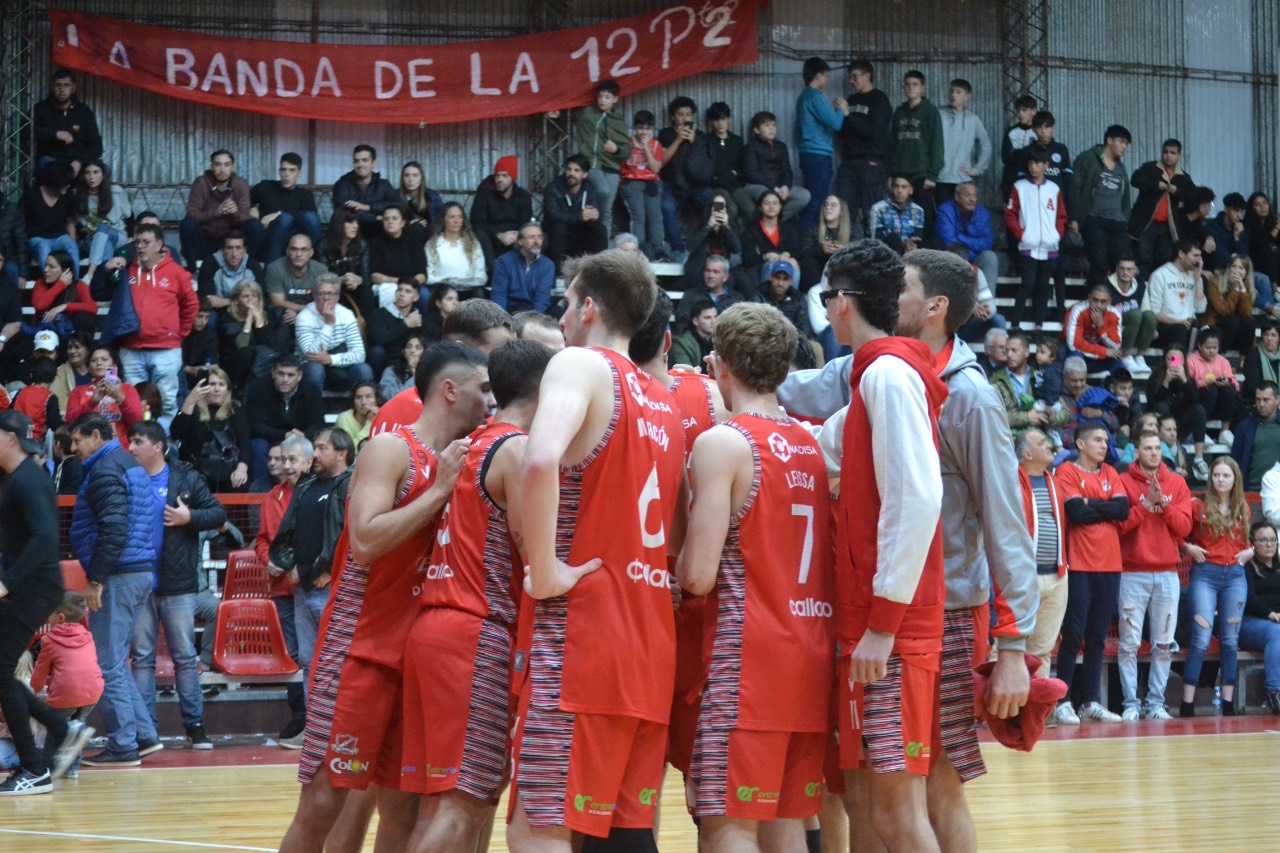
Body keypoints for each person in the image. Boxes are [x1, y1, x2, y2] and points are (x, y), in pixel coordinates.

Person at [508, 250, 684, 850]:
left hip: (582, 638)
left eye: (564, 303)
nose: (559, 319)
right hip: (650, 640)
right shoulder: (664, 398)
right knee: (624, 836)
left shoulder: (580, 364)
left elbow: (538, 457)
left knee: (539, 833)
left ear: (588, 307)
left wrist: (546, 567)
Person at [277, 345, 484, 853]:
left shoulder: (466, 458)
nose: (492, 398)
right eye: (483, 387)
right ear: (450, 390)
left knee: (403, 806)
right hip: (361, 647)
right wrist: (437, 493)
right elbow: (365, 541)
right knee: (325, 799)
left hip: (416, 655)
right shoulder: (391, 448)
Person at [801, 241, 948, 851]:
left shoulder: (887, 374)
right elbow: (817, 447)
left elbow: (917, 499)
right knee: (867, 804)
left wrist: (884, 626)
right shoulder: (875, 375)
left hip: (892, 629)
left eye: (825, 296)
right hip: (876, 623)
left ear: (842, 304)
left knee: (897, 814)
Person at [676, 303, 832, 850]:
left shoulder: (724, 442)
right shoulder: (812, 444)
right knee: (786, 820)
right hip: (810, 652)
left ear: (718, 365)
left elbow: (697, 575)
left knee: (729, 821)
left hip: (749, 658)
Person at [400, 341, 552, 851]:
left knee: (439, 802)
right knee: (465, 802)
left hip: (434, 630)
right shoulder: (515, 450)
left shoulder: (472, 444)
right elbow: (536, 555)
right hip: (473, 632)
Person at [126, 421, 225, 751]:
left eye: (137, 441)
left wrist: (190, 518)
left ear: (157, 446)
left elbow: (217, 514)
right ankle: (146, 732)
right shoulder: (127, 477)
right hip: (139, 581)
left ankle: (195, 727)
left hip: (178, 583)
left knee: (184, 656)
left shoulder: (185, 477)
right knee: (141, 658)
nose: (131, 447)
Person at [69, 414, 160, 767]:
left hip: (118, 575)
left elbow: (113, 529)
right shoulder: (126, 463)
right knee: (117, 661)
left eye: (78, 441)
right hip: (136, 572)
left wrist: (96, 579)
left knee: (107, 662)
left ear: (96, 435)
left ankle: (123, 746)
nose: (73, 449)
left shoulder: (106, 470)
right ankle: (145, 736)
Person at [0, 411, 76, 795]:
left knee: (0, 673)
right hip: (26, 587)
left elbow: (45, 538)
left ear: (10, 438)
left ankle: (34, 769)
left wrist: (6, 581)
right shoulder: (15, 478)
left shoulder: (28, 480)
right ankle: (59, 727)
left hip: (33, 587)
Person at [268, 428, 356, 752]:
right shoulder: (306, 487)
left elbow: (348, 534)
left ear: (341, 453)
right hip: (304, 587)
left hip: (331, 588)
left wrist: (328, 570)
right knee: (309, 661)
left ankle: (342, 731)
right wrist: (290, 563)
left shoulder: (349, 486)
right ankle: (316, 729)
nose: (315, 454)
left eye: (321, 448)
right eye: (315, 447)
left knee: (337, 662)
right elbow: (287, 533)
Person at [1052, 423, 1129, 725]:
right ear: (1081, 444)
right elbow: (1077, 514)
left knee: (1097, 637)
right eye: (1097, 440)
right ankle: (1063, 701)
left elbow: (1122, 511)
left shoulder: (1110, 472)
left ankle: (1091, 703)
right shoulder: (1067, 473)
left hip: (1111, 565)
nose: (1103, 444)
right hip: (1079, 565)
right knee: (1073, 636)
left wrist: (1090, 503)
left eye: (1105, 440)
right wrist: (1103, 506)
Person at [1116, 429, 1192, 720]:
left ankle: (1156, 703)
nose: (1154, 453)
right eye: (1147, 448)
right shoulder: (1122, 482)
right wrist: (1145, 506)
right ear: (1135, 452)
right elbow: (1119, 528)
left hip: (1167, 574)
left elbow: (1184, 529)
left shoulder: (1177, 482)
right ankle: (1131, 704)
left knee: (1163, 644)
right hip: (1131, 572)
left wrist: (1166, 504)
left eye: (1157, 448)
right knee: (1129, 644)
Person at [95, 223, 197, 418]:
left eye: (146, 242)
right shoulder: (125, 270)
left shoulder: (176, 272)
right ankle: (137, 443)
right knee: (132, 401)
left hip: (167, 349)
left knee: (167, 401)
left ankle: (167, 445)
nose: (140, 246)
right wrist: (105, 268)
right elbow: (98, 293)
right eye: (138, 242)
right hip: (132, 349)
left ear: (159, 245)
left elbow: (191, 306)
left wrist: (178, 334)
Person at [1181, 456, 1252, 717]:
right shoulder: (1196, 505)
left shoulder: (1242, 507)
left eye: (1226, 475)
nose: (1220, 479)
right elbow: (1179, 534)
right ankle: (1187, 704)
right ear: (1210, 478)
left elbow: (1248, 543)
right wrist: (1187, 546)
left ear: (1235, 480)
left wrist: (1250, 551)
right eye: (1216, 475)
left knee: (1231, 641)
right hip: (1205, 574)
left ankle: (1228, 703)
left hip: (1235, 575)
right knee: (1200, 639)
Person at [257, 433, 312, 741]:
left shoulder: (314, 492)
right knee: (291, 653)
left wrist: (299, 567)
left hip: (308, 585)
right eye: (283, 460)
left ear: (307, 461)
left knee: (310, 655)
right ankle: (299, 716)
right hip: (280, 588)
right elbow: (263, 539)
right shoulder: (272, 497)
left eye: (293, 460)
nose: (287, 466)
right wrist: (268, 560)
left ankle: (313, 719)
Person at [30, 590, 102, 780]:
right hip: (92, 692)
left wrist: (33, 689)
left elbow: (40, 672)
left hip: (66, 693)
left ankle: (45, 771)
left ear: (60, 617)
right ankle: (72, 769)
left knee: (55, 730)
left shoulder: (50, 640)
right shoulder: (88, 636)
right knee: (78, 723)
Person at [1017, 428, 1067, 677]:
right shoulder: (1011, 481)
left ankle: (1038, 714)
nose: (1049, 444)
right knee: (1008, 648)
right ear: (1026, 453)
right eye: (1042, 442)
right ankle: (998, 714)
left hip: (1057, 576)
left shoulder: (1053, 480)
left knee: (1043, 650)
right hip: (1024, 577)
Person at [1006, 149, 1067, 328]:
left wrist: (1056, 234)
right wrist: (1022, 234)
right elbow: (1010, 215)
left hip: (1050, 247)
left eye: (1038, 163)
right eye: (1031, 163)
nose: (1033, 167)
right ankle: (1015, 323)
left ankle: (1039, 326)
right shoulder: (1019, 186)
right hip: (1028, 246)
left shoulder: (1054, 189)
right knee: (1028, 283)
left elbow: (1061, 216)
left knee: (1043, 286)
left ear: (1046, 165)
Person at [169, 367, 252, 492]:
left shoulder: (235, 410)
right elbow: (176, 433)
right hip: (197, 468)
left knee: (240, 482)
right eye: (212, 384)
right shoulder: (193, 408)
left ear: (227, 389)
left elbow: (244, 442)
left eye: (221, 384)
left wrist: (242, 468)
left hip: (227, 466)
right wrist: (189, 401)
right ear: (203, 388)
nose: (217, 389)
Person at [245, 354, 325, 481]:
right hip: (270, 439)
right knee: (257, 446)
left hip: (301, 438)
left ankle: (310, 486)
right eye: (281, 374)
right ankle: (259, 492)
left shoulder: (311, 390)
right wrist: (285, 435)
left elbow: (318, 424)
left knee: (316, 445)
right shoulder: (258, 388)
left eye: (290, 375)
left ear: (299, 376)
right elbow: (255, 426)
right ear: (273, 373)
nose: (285, 379)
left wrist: (302, 436)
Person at [1071, 125, 1132, 285]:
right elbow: (1075, 189)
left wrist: (1125, 219)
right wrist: (1075, 218)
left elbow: (1125, 196)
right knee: (1098, 262)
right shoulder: (1087, 158)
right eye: (1122, 142)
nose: (1124, 147)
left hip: (1117, 222)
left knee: (1118, 263)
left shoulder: (1121, 167)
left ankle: (1112, 304)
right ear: (1109, 140)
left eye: (1126, 143)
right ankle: (1093, 301)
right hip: (1094, 218)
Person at [887, 70, 944, 238]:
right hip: (901, 173)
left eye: (915, 84)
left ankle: (924, 253)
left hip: (921, 173)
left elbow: (937, 144)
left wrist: (932, 174)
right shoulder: (899, 112)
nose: (911, 88)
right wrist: (891, 173)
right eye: (907, 84)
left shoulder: (930, 111)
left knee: (923, 216)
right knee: (899, 215)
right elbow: (893, 144)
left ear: (922, 88)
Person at [836, 59, 893, 226]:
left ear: (868, 76)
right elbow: (842, 132)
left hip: (871, 162)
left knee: (872, 210)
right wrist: (837, 115)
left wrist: (849, 115)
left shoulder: (879, 100)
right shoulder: (851, 100)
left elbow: (874, 132)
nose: (852, 81)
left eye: (855, 77)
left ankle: (875, 249)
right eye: (850, 77)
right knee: (845, 209)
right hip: (849, 161)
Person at [180, 150, 260, 267]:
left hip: (230, 241)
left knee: (254, 226)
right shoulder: (201, 182)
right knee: (187, 224)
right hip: (205, 239)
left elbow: (245, 216)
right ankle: (193, 270)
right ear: (212, 166)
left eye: (227, 165)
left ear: (232, 167)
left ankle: (247, 267)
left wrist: (235, 213)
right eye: (218, 164)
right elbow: (191, 213)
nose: (222, 170)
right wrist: (216, 212)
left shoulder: (240, 184)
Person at [1129, 139, 1196, 279]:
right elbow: (1135, 179)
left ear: (1179, 156)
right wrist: (1155, 184)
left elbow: (1193, 195)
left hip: (1168, 227)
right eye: (1165, 152)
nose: (1168, 155)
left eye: (1172, 153)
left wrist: (1177, 191)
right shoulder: (1150, 168)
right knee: (1143, 259)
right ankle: (1141, 293)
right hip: (1147, 224)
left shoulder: (1184, 177)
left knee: (1163, 261)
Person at [295, 273, 372, 392]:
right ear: (315, 296)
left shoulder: (346, 315)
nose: (326, 298)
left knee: (364, 370)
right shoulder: (304, 317)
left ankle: (361, 409)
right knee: (316, 369)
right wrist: (328, 324)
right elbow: (311, 354)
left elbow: (359, 354)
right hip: (310, 367)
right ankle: (314, 408)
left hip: (339, 365)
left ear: (337, 297)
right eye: (321, 294)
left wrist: (330, 359)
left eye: (330, 294)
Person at [576, 79, 629, 236]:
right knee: (603, 191)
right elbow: (569, 112)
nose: (602, 100)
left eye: (607, 97)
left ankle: (602, 250)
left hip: (612, 169)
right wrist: (556, 113)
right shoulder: (588, 113)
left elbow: (627, 150)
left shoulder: (618, 120)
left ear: (615, 99)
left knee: (607, 214)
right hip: (592, 164)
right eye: (600, 97)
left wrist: (616, 149)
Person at [250, 152, 322, 264]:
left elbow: (312, 218)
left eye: (292, 170)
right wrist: (252, 208)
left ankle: (313, 264)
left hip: (296, 240)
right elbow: (243, 200)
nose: (286, 174)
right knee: (284, 219)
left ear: (299, 173)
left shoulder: (305, 195)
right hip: (270, 237)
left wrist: (278, 214)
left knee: (297, 218)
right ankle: (272, 269)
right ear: (279, 171)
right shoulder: (265, 187)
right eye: (283, 170)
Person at [992, 331, 1067, 436]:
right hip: (1010, 442)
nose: (1009, 354)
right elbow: (992, 418)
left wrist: (1044, 416)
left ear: (1027, 352)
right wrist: (1026, 417)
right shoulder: (996, 381)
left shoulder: (1041, 375)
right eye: (1007, 350)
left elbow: (1065, 413)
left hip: (1041, 440)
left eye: (1014, 350)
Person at [65, 346, 143, 446]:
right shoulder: (78, 391)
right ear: (89, 368)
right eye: (94, 360)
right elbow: (70, 422)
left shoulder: (127, 389)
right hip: (88, 451)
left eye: (104, 359)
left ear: (114, 365)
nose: (99, 363)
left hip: (122, 449)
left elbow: (137, 421)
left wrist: (119, 397)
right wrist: (92, 403)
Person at [1240, 521, 1280, 715]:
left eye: (1273, 540)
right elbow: (1249, 598)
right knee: (1277, 632)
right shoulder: (1246, 566)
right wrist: (1270, 614)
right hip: (1250, 622)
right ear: (1252, 542)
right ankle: (1275, 691)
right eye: (1263, 540)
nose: (1269, 544)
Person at [542, 154, 608, 271]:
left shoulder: (590, 188)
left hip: (580, 234)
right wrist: (579, 216)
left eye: (577, 170)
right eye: (569, 169)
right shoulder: (553, 188)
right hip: (559, 235)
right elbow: (552, 215)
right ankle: (557, 273)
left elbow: (594, 209)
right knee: (558, 227)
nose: (571, 173)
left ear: (584, 174)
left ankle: (601, 271)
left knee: (600, 229)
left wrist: (596, 214)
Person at [742, 110, 810, 222]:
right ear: (756, 130)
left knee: (804, 195)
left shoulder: (781, 146)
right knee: (769, 195)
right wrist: (773, 188)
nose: (771, 128)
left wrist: (786, 187)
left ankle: (776, 220)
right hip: (757, 186)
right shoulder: (751, 146)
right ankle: (764, 223)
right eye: (766, 125)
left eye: (773, 125)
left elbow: (787, 170)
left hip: (779, 187)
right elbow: (752, 174)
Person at [470, 156, 534, 269]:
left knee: (537, 236)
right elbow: (477, 222)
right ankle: (493, 272)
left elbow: (525, 222)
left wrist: (517, 235)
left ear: (512, 178)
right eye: (497, 175)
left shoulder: (522, 196)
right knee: (480, 234)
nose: (500, 179)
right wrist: (499, 235)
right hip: (492, 237)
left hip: (515, 239)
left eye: (505, 176)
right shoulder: (485, 194)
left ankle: (526, 271)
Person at [75, 158, 132, 284]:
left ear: (103, 174)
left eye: (96, 172)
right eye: (87, 173)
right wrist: (84, 231)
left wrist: (131, 236)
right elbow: (78, 224)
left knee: (102, 229)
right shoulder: (79, 194)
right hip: (93, 240)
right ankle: (104, 286)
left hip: (118, 235)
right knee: (105, 244)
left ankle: (89, 275)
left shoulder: (115, 191)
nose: (91, 177)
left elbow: (130, 216)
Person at [1144, 239, 1208, 352]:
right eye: (1195, 255)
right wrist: (1178, 322)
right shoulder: (1160, 275)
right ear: (1181, 254)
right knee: (1180, 330)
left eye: (1200, 256)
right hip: (1166, 327)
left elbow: (1200, 308)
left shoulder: (1196, 277)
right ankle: (1176, 364)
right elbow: (1155, 312)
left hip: (1190, 326)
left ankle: (1193, 367)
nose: (1198, 260)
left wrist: (1198, 279)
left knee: (1211, 332)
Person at [936, 182, 998, 295]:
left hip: (973, 259)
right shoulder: (945, 210)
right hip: (951, 259)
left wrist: (961, 238)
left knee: (990, 256)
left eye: (974, 195)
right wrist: (972, 248)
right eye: (968, 195)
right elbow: (949, 243)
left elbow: (987, 243)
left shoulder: (983, 213)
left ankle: (988, 305)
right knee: (955, 254)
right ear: (957, 197)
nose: (972, 199)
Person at [619, 110, 666, 260]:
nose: (643, 132)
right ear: (634, 128)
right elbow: (620, 165)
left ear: (652, 129)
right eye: (640, 128)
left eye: (647, 128)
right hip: (632, 181)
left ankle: (658, 249)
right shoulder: (628, 143)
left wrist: (646, 147)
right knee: (638, 217)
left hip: (651, 182)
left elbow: (656, 168)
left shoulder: (655, 144)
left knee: (655, 216)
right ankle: (637, 249)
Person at [34, 69, 102, 171]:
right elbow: (27, 130)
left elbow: (96, 146)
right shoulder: (41, 108)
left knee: (104, 170)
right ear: (52, 87)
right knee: (51, 169)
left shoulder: (84, 112)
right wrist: (55, 134)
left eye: (66, 85)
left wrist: (79, 162)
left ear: (73, 88)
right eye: (58, 85)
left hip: (77, 162)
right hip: (52, 161)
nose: (62, 89)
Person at [739, 190, 806, 293]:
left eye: (775, 203)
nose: (771, 206)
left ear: (780, 207)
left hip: (785, 266)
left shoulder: (788, 227)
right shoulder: (751, 229)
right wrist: (765, 256)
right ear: (760, 207)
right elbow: (747, 259)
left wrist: (786, 254)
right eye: (767, 203)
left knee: (792, 263)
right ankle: (767, 301)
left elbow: (796, 250)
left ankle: (791, 301)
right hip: (760, 268)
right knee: (772, 264)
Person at [937, 79, 992, 203]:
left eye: (958, 92)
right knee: (943, 216)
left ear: (967, 97)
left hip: (962, 179)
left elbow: (986, 146)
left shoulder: (972, 119)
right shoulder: (939, 115)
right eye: (951, 91)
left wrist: (977, 169)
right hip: (941, 178)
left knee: (963, 216)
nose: (953, 94)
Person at [218, 279, 277, 391]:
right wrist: (249, 320)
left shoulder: (267, 315)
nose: (251, 300)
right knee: (247, 352)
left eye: (254, 296)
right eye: (245, 296)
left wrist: (259, 319)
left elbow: (266, 345)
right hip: (233, 363)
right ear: (236, 300)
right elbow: (241, 346)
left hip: (260, 363)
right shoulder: (227, 318)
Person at [28, 249, 97, 345]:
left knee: (84, 318)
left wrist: (65, 306)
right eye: (46, 265)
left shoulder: (79, 286)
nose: (45, 270)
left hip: (68, 335)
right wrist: (61, 284)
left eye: (51, 267)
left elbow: (92, 307)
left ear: (65, 271)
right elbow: (40, 305)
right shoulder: (40, 283)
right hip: (44, 334)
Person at [21, 162, 79, 273]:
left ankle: (74, 285)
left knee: (71, 245)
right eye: (65, 184)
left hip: (60, 236)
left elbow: (70, 222)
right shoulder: (32, 194)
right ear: (56, 183)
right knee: (43, 248)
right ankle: (51, 285)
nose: (68, 186)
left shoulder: (68, 195)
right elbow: (21, 221)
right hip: (37, 237)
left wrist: (73, 240)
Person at [330, 144, 400, 236]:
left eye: (365, 160)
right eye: (356, 161)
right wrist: (376, 218)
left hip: (379, 232)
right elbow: (343, 211)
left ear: (374, 163)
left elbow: (398, 204)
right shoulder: (343, 183)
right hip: (351, 233)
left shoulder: (383, 184)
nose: (360, 164)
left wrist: (368, 207)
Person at [1185, 328, 1239, 443]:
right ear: (1199, 346)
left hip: (1219, 404)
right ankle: (1201, 429)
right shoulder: (1191, 360)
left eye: (1215, 348)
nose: (1212, 351)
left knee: (1229, 390)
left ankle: (1224, 431)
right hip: (1200, 402)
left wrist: (1227, 380)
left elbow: (1235, 383)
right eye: (1208, 348)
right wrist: (1205, 382)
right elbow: (1188, 386)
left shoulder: (1222, 360)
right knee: (1211, 390)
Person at [424, 202, 487, 300]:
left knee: (479, 293)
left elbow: (480, 274)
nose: (456, 221)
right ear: (443, 220)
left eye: (459, 217)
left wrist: (467, 283)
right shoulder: (433, 244)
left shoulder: (472, 243)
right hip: (442, 290)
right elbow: (428, 275)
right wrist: (447, 281)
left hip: (468, 290)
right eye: (452, 217)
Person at [1107, 256, 1156, 377]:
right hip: (1113, 328)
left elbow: (1146, 310)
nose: (1125, 272)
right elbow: (1105, 314)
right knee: (1135, 314)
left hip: (1133, 328)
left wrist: (1152, 329)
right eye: (1122, 268)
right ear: (1117, 269)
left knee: (1150, 316)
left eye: (1129, 269)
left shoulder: (1140, 287)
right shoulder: (1107, 284)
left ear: (1135, 270)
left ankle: (1140, 357)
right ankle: (1126, 356)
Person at [491, 223, 554, 314]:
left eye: (540, 237)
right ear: (520, 241)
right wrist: (502, 321)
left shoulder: (548, 265)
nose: (537, 241)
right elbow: (499, 294)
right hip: (511, 309)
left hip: (534, 311)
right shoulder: (504, 261)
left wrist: (534, 321)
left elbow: (542, 298)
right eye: (531, 237)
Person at [1202, 255, 1257, 356]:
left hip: (1235, 332)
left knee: (1249, 323)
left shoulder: (1248, 287)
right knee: (1232, 321)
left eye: (1241, 268)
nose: (1236, 270)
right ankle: (1221, 357)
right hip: (1216, 323)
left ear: (1247, 272)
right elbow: (1223, 310)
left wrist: (1243, 290)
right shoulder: (1215, 282)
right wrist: (1236, 289)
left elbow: (1247, 314)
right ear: (1229, 268)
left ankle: (1243, 360)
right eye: (1233, 266)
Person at [196, 230, 262, 314]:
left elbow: (258, 298)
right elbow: (209, 300)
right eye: (229, 248)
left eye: (238, 248)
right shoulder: (210, 264)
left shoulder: (253, 266)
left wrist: (226, 301)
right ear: (223, 249)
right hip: (217, 311)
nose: (234, 254)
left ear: (244, 250)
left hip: (246, 309)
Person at [1231, 381, 1280, 492]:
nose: (1261, 404)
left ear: (1277, 400)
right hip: (1251, 490)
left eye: (1266, 400)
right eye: (1258, 399)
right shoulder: (1244, 427)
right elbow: (1235, 461)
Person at [367, 281, 423, 377]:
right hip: (385, 358)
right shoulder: (379, 313)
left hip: (408, 357)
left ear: (416, 297)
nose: (402, 294)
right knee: (376, 351)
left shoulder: (417, 317)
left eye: (408, 291)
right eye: (399, 290)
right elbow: (378, 340)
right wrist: (405, 324)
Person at [1065, 283, 1122, 369]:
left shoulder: (1115, 314)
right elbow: (1073, 344)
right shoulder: (1078, 310)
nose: (1098, 305)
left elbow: (1116, 345)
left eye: (1103, 302)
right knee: (1075, 355)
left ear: (1109, 301)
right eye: (1095, 300)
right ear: (1089, 298)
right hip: (1082, 355)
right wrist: (1104, 351)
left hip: (1100, 358)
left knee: (1118, 361)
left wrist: (1101, 327)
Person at [318, 212, 372, 302]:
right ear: (338, 224)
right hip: (332, 288)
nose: (355, 226)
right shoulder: (323, 246)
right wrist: (342, 280)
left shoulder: (362, 245)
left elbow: (366, 277)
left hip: (355, 287)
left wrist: (357, 279)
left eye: (356, 222)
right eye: (350, 222)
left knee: (367, 292)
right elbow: (322, 279)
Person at [869, 175, 926, 253]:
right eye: (896, 187)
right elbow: (875, 240)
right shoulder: (879, 208)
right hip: (886, 253)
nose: (899, 191)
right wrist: (902, 244)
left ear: (911, 190)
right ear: (891, 189)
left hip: (911, 251)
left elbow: (918, 237)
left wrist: (910, 245)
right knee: (893, 238)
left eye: (904, 187)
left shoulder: (918, 210)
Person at [397, 161, 443, 246]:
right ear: (402, 178)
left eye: (415, 175)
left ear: (421, 178)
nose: (410, 180)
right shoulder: (394, 196)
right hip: (403, 237)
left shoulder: (432, 197)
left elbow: (440, 221)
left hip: (429, 238)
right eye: (407, 175)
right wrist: (408, 224)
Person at [762, 259, 812, 336]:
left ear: (791, 281)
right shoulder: (759, 295)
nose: (780, 283)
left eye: (785, 279)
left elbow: (804, 327)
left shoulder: (798, 298)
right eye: (777, 278)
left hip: (792, 341)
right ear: (770, 277)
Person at [50, 331, 92, 415]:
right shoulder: (61, 371)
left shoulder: (97, 370)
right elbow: (59, 402)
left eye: (77, 347)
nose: (72, 351)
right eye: (70, 347)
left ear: (87, 350)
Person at [1244, 318, 1280, 409]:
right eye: (1266, 334)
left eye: (1273, 335)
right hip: (1261, 401)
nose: (1269, 338)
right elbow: (1252, 387)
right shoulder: (1253, 355)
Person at [334, 381, 381, 448]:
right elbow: (348, 450)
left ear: (376, 400)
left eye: (368, 397)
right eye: (358, 397)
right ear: (353, 402)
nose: (363, 402)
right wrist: (369, 423)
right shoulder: (344, 418)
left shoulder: (383, 416)